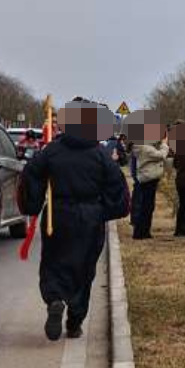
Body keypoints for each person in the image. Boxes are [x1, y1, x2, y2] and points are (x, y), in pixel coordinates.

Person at [18, 99, 130, 341]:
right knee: (84, 268)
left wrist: (33, 204)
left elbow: (31, 175)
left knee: (53, 262)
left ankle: (55, 298)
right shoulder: (99, 154)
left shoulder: (52, 151)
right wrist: (107, 211)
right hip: (90, 217)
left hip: (57, 214)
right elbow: (117, 187)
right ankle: (74, 321)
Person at [131, 129, 168, 240]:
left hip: (147, 178)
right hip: (148, 179)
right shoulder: (145, 148)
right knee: (146, 207)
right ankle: (140, 232)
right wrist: (164, 144)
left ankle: (144, 231)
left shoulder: (142, 146)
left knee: (147, 206)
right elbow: (161, 155)